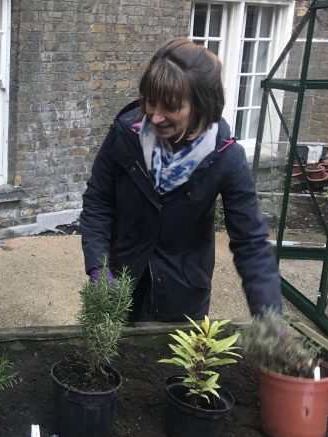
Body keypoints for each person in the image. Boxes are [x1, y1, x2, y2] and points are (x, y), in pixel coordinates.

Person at [80, 38, 282, 322]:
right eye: (151, 100)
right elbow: (98, 201)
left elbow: (251, 243)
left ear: (202, 106)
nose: (156, 116)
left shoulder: (225, 157)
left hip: (182, 297)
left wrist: (269, 317)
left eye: (171, 107)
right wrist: (99, 267)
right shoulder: (125, 135)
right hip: (120, 285)